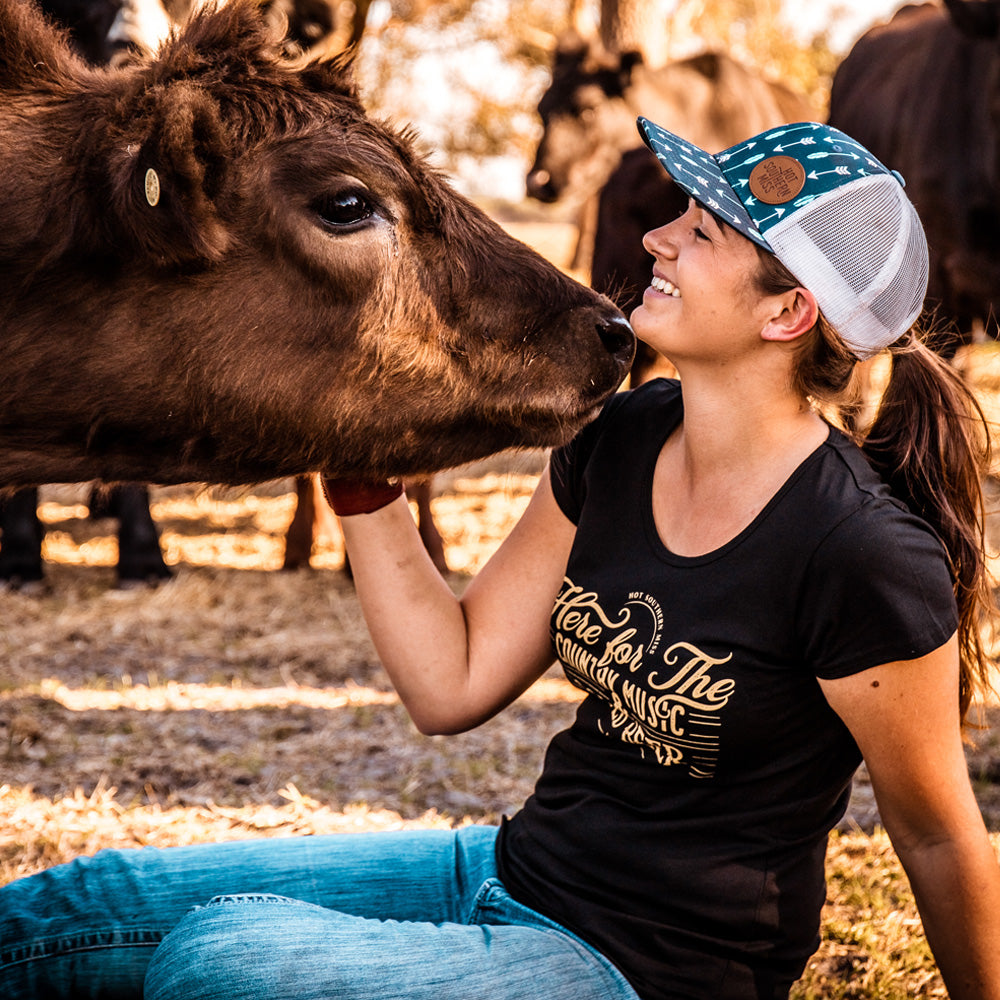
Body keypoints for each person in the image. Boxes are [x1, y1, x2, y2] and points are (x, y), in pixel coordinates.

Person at [2, 117, 999, 1000]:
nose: (656, 236)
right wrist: (362, 468)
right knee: (66, 908)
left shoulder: (862, 554)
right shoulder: (630, 434)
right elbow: (453, 679)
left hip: (645, 967)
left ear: (786, 314)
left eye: (702, 233)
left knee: (220, 961)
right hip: (513, 869)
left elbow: (938, 836)